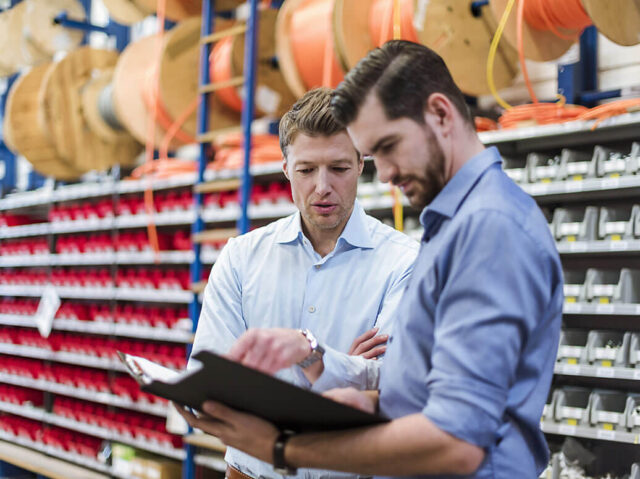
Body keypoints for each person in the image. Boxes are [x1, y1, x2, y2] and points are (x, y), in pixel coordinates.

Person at [179, 41, 563, 479]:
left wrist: (283, 445)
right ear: (287, 169)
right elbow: (434, 393)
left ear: (440, 115)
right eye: (375, 153)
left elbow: (459, 440)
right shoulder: (451, 226)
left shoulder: (489, 229)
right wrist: (366, 392)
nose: (384, 174)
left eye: (387, 146)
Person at [188, 87, 419, 479]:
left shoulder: (404, 262)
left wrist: (305, 359)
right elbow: (209, 390)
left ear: (361, 164)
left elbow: (398, 397)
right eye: (307, 170)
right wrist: (348, 367)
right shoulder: (241, 257)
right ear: (285, 170)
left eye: (339, 168)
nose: (323, 186)